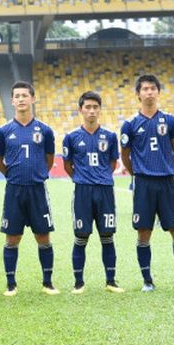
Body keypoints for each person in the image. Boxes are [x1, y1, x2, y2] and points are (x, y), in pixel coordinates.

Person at [121, 75, 174, 292]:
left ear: (158, 92)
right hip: (143, 184)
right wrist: (138, 172)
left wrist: (165, 168)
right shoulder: (130, 124)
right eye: (145, 89)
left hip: (167, 183)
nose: (149, 92)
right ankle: (147, 281)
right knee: (144, 232)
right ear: (138, 94)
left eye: (153, 88)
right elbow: (125, 155)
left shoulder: (170, 121)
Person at [0, 81, 58, 297]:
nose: (21, 99)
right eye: (17, 96)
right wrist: (12, 174)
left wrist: (38, 173)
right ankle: (11, 284)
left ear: (32, 98)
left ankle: (47, 283)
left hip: (37, 190)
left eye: (24, 95)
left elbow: (49, 159)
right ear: (12, 101)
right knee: (12, 238)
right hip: (14, 190)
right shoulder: (3, 131)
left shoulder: (45, 130)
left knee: (43, 236)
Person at [63, 91, 124, 294]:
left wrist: (100, 177)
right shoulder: (71, 137)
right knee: (81, 237)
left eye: (95, 107)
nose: (91, 111)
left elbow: (113, 163)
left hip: (105, 191)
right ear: (81, 110)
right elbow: (67, 165)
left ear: (99, 110)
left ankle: (111, 281)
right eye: (87, 107)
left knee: (107, 236)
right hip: (82, 192)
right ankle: (78, 283)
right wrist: (82, 178)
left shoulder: (109, 136)